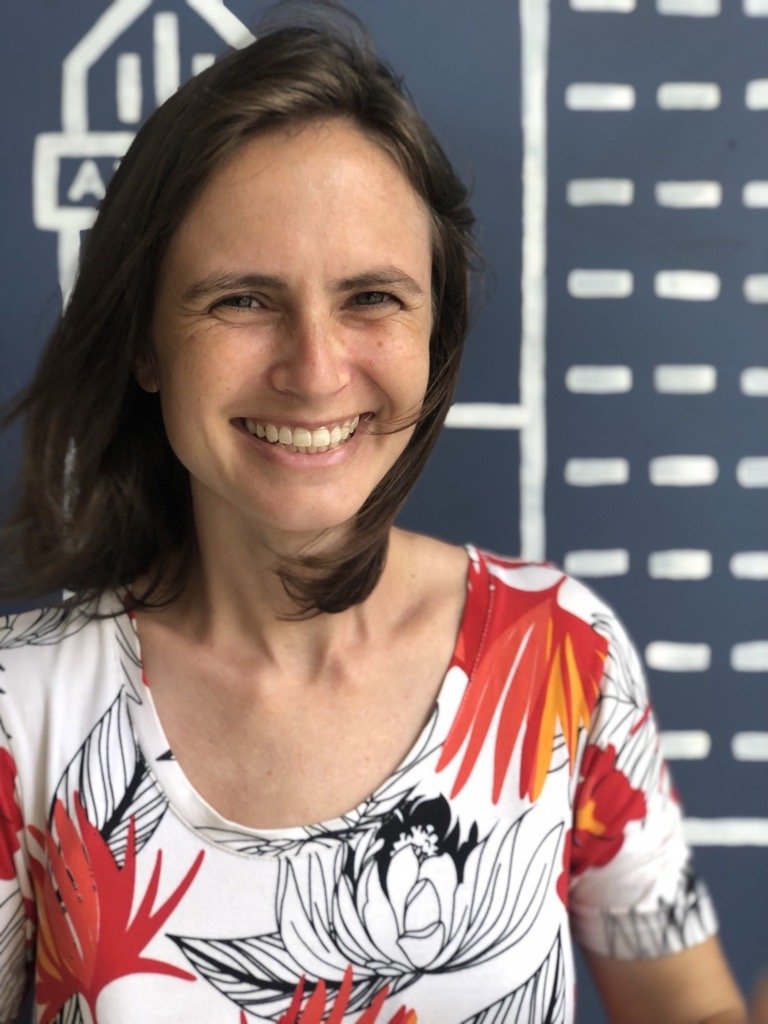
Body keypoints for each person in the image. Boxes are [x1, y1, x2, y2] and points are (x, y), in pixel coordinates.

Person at [0, 4, 747, 1023]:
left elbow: (685, 1009)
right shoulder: (21, 710)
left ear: (435, 339)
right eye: (242, 300)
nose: (315, 370)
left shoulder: (565, 657)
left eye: (372, 299)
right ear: (143, 343)